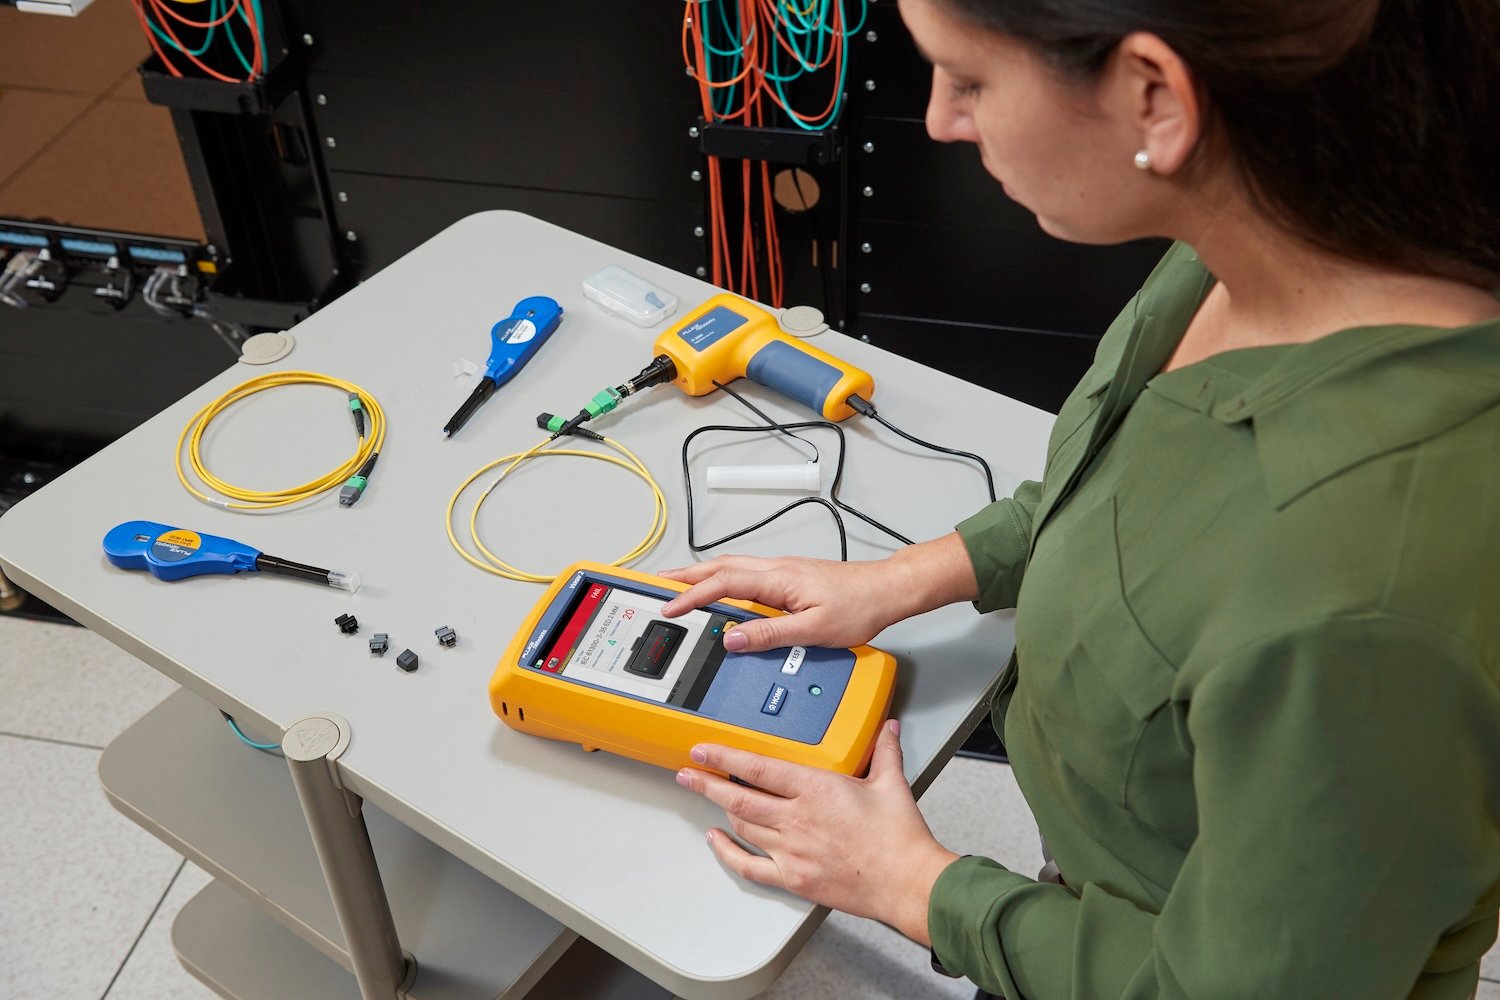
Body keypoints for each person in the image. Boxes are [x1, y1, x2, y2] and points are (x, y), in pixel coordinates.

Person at [658, 0, 1500, 996]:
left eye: (968, 80)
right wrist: (900, 580)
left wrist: (915, 885)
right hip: (1107, 872)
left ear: (1155, 97)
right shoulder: (1262, 239)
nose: (938, 120)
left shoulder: (1365, 606)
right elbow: (1128, 491)